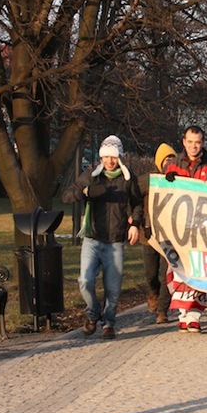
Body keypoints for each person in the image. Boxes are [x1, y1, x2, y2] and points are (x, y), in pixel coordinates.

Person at [62, 135, 142, 340]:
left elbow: (137, 203)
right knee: (85, 280)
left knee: (113, 289)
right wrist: (85, 191)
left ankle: (108, 323)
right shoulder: (91, 175)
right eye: (106, 156)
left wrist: (135, 223)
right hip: (92, 238)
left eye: (113, 157)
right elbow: (67, 195)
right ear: (101, 157)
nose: (110, 161)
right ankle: (92, 312)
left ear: (119, 157)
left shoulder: (127, 178)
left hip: (115, 240)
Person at [164, 125, 207, 332]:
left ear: (202, 143)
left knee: (198, 270)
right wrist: (167, 183)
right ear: (184, 142)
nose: (194, 146)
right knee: (178, 270)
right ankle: (182, 313)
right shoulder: (174, 165)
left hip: (201, 228)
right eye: (190, 141)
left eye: (198, 142)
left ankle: (194, 315)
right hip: (178, 227)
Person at [139, 143, 176, 324]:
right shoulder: (147, 180)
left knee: (165, 274)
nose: (168, 162)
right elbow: (135, 199)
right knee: (150, 273)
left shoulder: (177, 180)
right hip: (149, 236)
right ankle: (153, 292)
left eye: (171, 159)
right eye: (165, 159)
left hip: (169, 236)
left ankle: (162, 311)